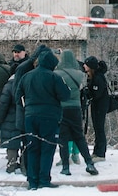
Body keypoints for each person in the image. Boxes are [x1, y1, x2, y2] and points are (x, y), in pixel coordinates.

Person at [22, 48, 70, 190]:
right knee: (47, 148)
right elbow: (65, 95)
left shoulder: (27, 76)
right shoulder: (54, 77)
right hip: (49, 117)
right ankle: (44, 179)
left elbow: (18, 94)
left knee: (32, 148)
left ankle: (32, 181)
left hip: (30, 117)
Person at [55, 50, 99, 176]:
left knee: (63, 138)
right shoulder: (80, 75)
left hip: (62, 108)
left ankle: (65, 167)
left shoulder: (56, 74)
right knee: (79, 137)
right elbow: (83, 90)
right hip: (76, 108)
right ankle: (89, 163)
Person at [84, 55, 109, 162]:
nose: (84, 66)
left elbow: (96, 93)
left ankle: (100, 153)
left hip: (100, 106)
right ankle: (97, 151)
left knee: (99, 128)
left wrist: (88, 92)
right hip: (97, 105)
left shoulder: (98, 77)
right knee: (97, 128)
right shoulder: (94, 75)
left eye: (86, 65)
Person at [0, 72, 24, 174]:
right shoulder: (27, 83)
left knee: (12, 144)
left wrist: (1, 118)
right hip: (25, 116)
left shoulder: (8, 86)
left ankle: (11, 165)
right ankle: (25, 166)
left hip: (10, 118)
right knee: (25, 142)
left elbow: (3, 103)